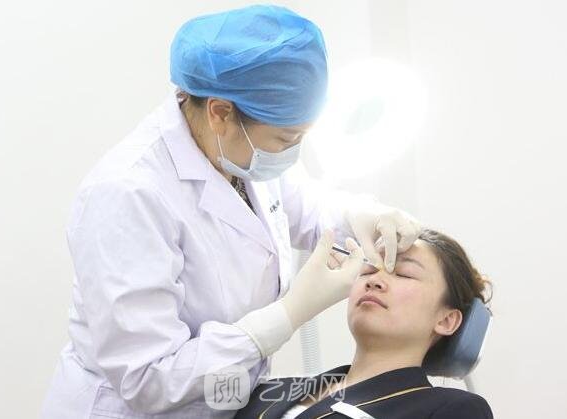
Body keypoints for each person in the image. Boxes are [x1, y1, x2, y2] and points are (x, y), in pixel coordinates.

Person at [41, 5, 421, 419]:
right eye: (286, 139)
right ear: (220, 112)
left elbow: (304, 206)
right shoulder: (128, 194)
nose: (292, 153)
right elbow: (148, 380)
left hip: (226, 402)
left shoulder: (242, 151)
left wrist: (362, 215)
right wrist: (289, 314)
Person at [235, 229, 494, 419]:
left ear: (446, 320)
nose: (374, 280)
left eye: (403, 274)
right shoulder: (269, 390)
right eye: (369, 269)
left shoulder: (451, 409)